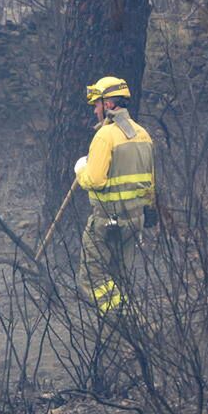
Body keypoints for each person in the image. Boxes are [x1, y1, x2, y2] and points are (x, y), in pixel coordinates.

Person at [74, 77, 155, 315]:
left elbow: (95, 180)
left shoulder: (105, 136)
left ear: (108, 104)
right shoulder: (143, 135)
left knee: (93, 276)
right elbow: (151, 184)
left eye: (97, 104)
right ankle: (133, 330)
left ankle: (122, 319)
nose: (95, 110)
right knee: (122, 276)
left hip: (106, 221)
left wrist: (81, 171)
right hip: (135, 220)